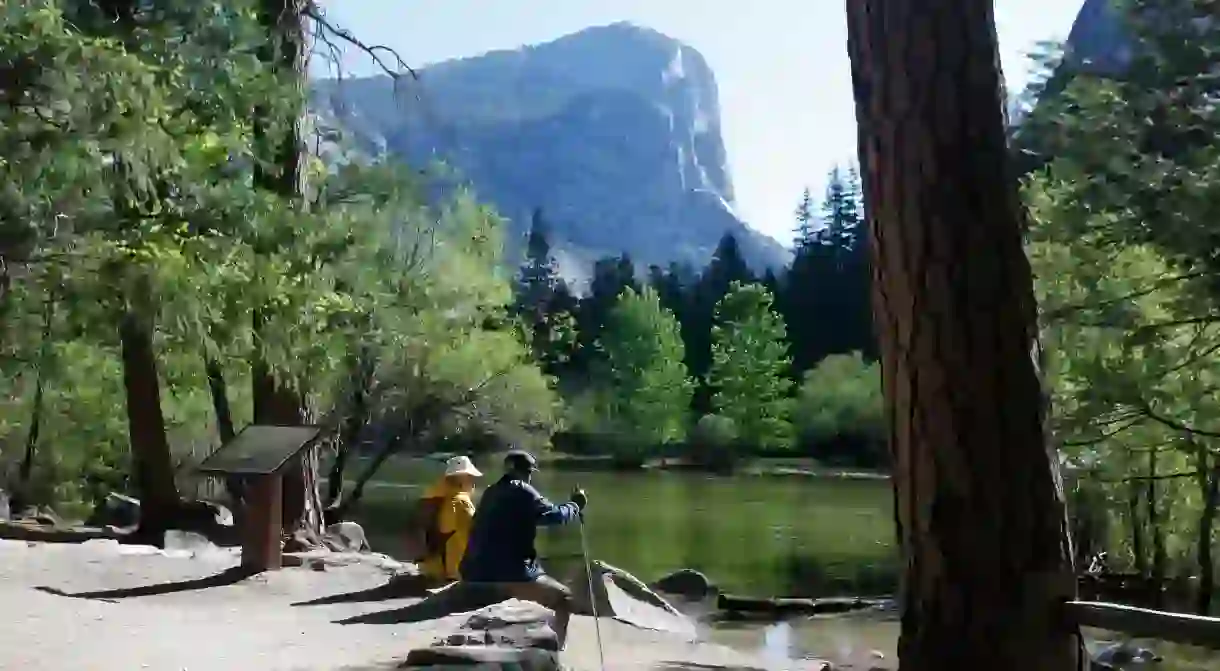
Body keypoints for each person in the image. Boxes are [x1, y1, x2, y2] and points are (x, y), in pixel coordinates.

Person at [459, 450, 588, 650]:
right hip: (508, 573)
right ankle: (555, 655)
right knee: (564, 598)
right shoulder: (523, 491)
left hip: (473, 570)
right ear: (527, 473)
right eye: (529, 473)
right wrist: (575, 505)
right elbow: (554, 516)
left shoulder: (490, 492)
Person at [418, 455, 483, 584]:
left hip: (432, 567)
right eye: (470, 477)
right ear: (462, 477)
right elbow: (476, 532)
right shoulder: (460, 502)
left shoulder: (435, 497)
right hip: (453, 570)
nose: (473, 481)